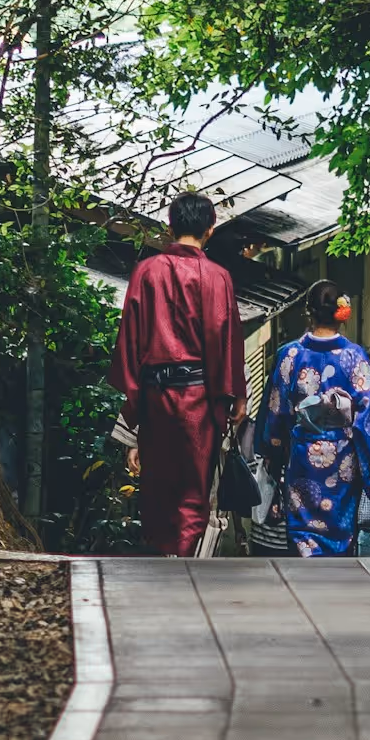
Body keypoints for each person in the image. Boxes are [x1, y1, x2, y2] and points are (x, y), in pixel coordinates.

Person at [109, 190, 246, 557]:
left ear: (170, 227)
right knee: (193, 489)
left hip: (155, 396)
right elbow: (228, 337)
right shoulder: (218, 277)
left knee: (158, 488)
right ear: (210, 230)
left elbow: (131, 341)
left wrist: (134, 414)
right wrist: (238, 395)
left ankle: (167, 560)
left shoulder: (147, 271)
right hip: (200, 396)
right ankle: (184, 563)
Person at [258, 281, 370, 558]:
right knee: (341, 526)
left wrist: (273, 448)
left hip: (302, 457)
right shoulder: (353, 357)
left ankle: (305, 567)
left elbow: (277, 410)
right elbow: (369, 408)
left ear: (308, 312)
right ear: (340, 313)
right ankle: (340, 573)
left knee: (303, 528)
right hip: (342, 459)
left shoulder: (291, 355)